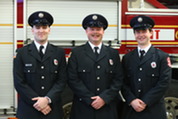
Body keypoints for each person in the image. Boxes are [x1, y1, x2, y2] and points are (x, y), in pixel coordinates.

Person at [67, 13, 123, 119]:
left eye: (98, 29)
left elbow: (118, 79)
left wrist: (104, 98)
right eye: (92, 29)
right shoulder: (77, 53)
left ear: (103, 31)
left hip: (107, 107)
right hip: (83, 107)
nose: (95, 32)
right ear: (86, 31)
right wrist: (89, 99)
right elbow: (72, 79)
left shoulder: (113, 53)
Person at [13, 11, 66, 119]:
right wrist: (38, 103)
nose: (41, 30)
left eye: (44, 27)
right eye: (37, 27)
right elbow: (19, 82)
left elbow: (62, 80)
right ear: (32, 30)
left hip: (52, 109)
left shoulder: (59, 53)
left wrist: (47, 99)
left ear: (49, 30)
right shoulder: (21, 53)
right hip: (29, 109)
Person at [121, 15, 172, 119]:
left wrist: (145, 101)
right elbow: (122, 82)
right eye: (138, 32)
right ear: (134, 34)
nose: (141, 35)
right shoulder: (128, 58)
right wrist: (132, 100)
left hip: (154, 110)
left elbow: (164, 82)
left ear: (151, 33)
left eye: (144, 31)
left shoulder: (162, 56)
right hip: (132, 110)